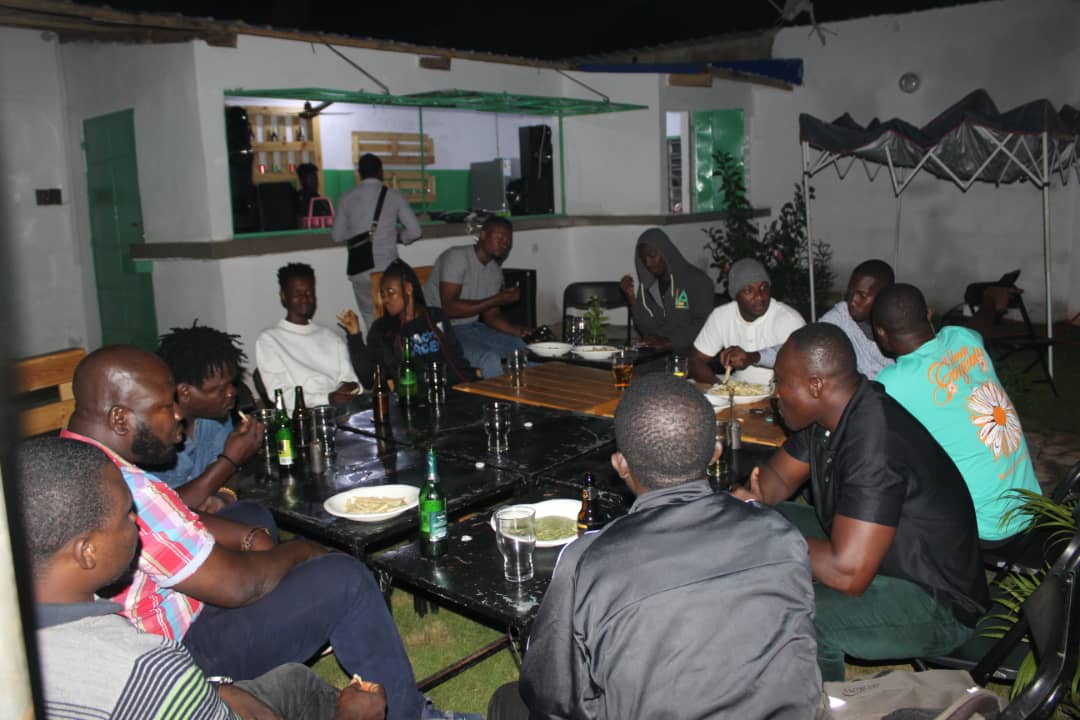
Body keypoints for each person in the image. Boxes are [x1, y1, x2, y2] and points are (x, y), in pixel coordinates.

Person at [61, 345, 444, 720]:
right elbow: (237, 586)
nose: (177, 414)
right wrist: (302, 551)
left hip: (159, 615)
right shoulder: (129, 489)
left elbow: (174, 517)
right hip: (174, 658)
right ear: (120, 419)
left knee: (251, 515)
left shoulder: (72, 460)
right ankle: (411, 714)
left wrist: (249, 537)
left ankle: (285, 641)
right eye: (164, 406)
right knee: (344, 578)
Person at [488, 374, 821, 719]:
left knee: (507, 702)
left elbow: (550, 695)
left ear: (621, 466)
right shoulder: (781, 534)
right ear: (715, 453)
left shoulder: (589, 562)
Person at [15, 436, 387, 720]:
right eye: (128, 515)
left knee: (295, 682)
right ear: (87, 552)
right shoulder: (147, 668)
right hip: (177, 684)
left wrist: (213, 689)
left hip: (196, 690)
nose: (138, 523)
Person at [734, 324, 989, 681]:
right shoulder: (831, 413)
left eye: (781, 382)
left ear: (815, 385)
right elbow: (776, 479)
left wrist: (768, 535)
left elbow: (847, 573)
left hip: (934, 600)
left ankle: (822, 702)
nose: (775, 392)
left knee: (798, 613)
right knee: (761, 520)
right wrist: (745, 504)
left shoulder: (876, 443)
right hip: (877, 553)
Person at [873, 283, 1042, 543]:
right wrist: (990, 301)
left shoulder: (892, 383)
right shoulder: (963, 338)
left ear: (881, 333)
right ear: (929, 314)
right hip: (1030, 506)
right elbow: (980, 323)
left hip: (988, 527)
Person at [154, 323, 264, 515]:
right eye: (219, 389)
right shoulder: (155, 437)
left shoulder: (214, 418)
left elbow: (227, 474)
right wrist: (231, 459)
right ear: (185, 392)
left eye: (231, 383)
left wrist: (225, 494)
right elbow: (164, 509)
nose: (232, 393)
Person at [423, 216, 532, 378]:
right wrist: (497, 299)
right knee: (489, 358)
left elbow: (491, 316)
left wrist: (519, 331)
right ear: (483, 235)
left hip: (471, 328)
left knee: (522, 348)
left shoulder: (494, 271)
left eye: (508, 242)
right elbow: (449, 308)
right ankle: (498, 394)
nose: (504, 244)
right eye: (499, 238)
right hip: (441, 329)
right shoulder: (456, 257)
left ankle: (531, 390)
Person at [341, 259, 474, 388]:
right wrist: (355, 336)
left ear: (408, 288)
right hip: (414, 396)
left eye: (391, 292)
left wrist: (472, 384)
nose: (386, 299)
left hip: (453, 389)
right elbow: (369, 379)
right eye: (383, 294)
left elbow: (457, 360)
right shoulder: (383, 330)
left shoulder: (435, 317)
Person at [332, 153, 422, 331]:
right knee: (396, 318)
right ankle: (397, 348)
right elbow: (415, 231)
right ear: (381, 171)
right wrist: (399, 237)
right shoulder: (394, 196)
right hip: (387, 270)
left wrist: (358, 233)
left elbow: (337, 236)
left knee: (370, 318)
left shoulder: (346, 197)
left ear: (359, 173)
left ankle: (375, 348)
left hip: (360, 269)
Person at [255, 262, 360, 410]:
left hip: (338, 411)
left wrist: (349, 388)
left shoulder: (330, 337)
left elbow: (352, 381)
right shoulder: (269, 340)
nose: (305, 298)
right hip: (301, 415)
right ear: (283, 296)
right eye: (297, 294)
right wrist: (327, 398)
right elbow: (281, 395)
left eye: (309, 293)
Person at [688, 257, 805, 383]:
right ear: (735, 295)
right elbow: (694, 361)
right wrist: (719, 389)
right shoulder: (721, 316)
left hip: (779, 392)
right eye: (749, 290)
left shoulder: (789, 320)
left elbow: (801, 367)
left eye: (763, 287)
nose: (759, 296)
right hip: (737, 390)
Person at [618, 227, 713, 353]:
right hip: (659, 356)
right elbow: (646, 330)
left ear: (665, 251)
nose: (648, 263)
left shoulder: (698, 281)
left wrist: (669, 342)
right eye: (643, 259)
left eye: (652, 256)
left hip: (691, 356)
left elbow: (705, 326)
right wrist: (631, 298)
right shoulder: (649, 286)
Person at [818, 259, 895, 379]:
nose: (853, 300)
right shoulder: (835, 323)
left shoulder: (900, 323)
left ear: (884, 296)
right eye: (850, 292)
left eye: (862, 295)